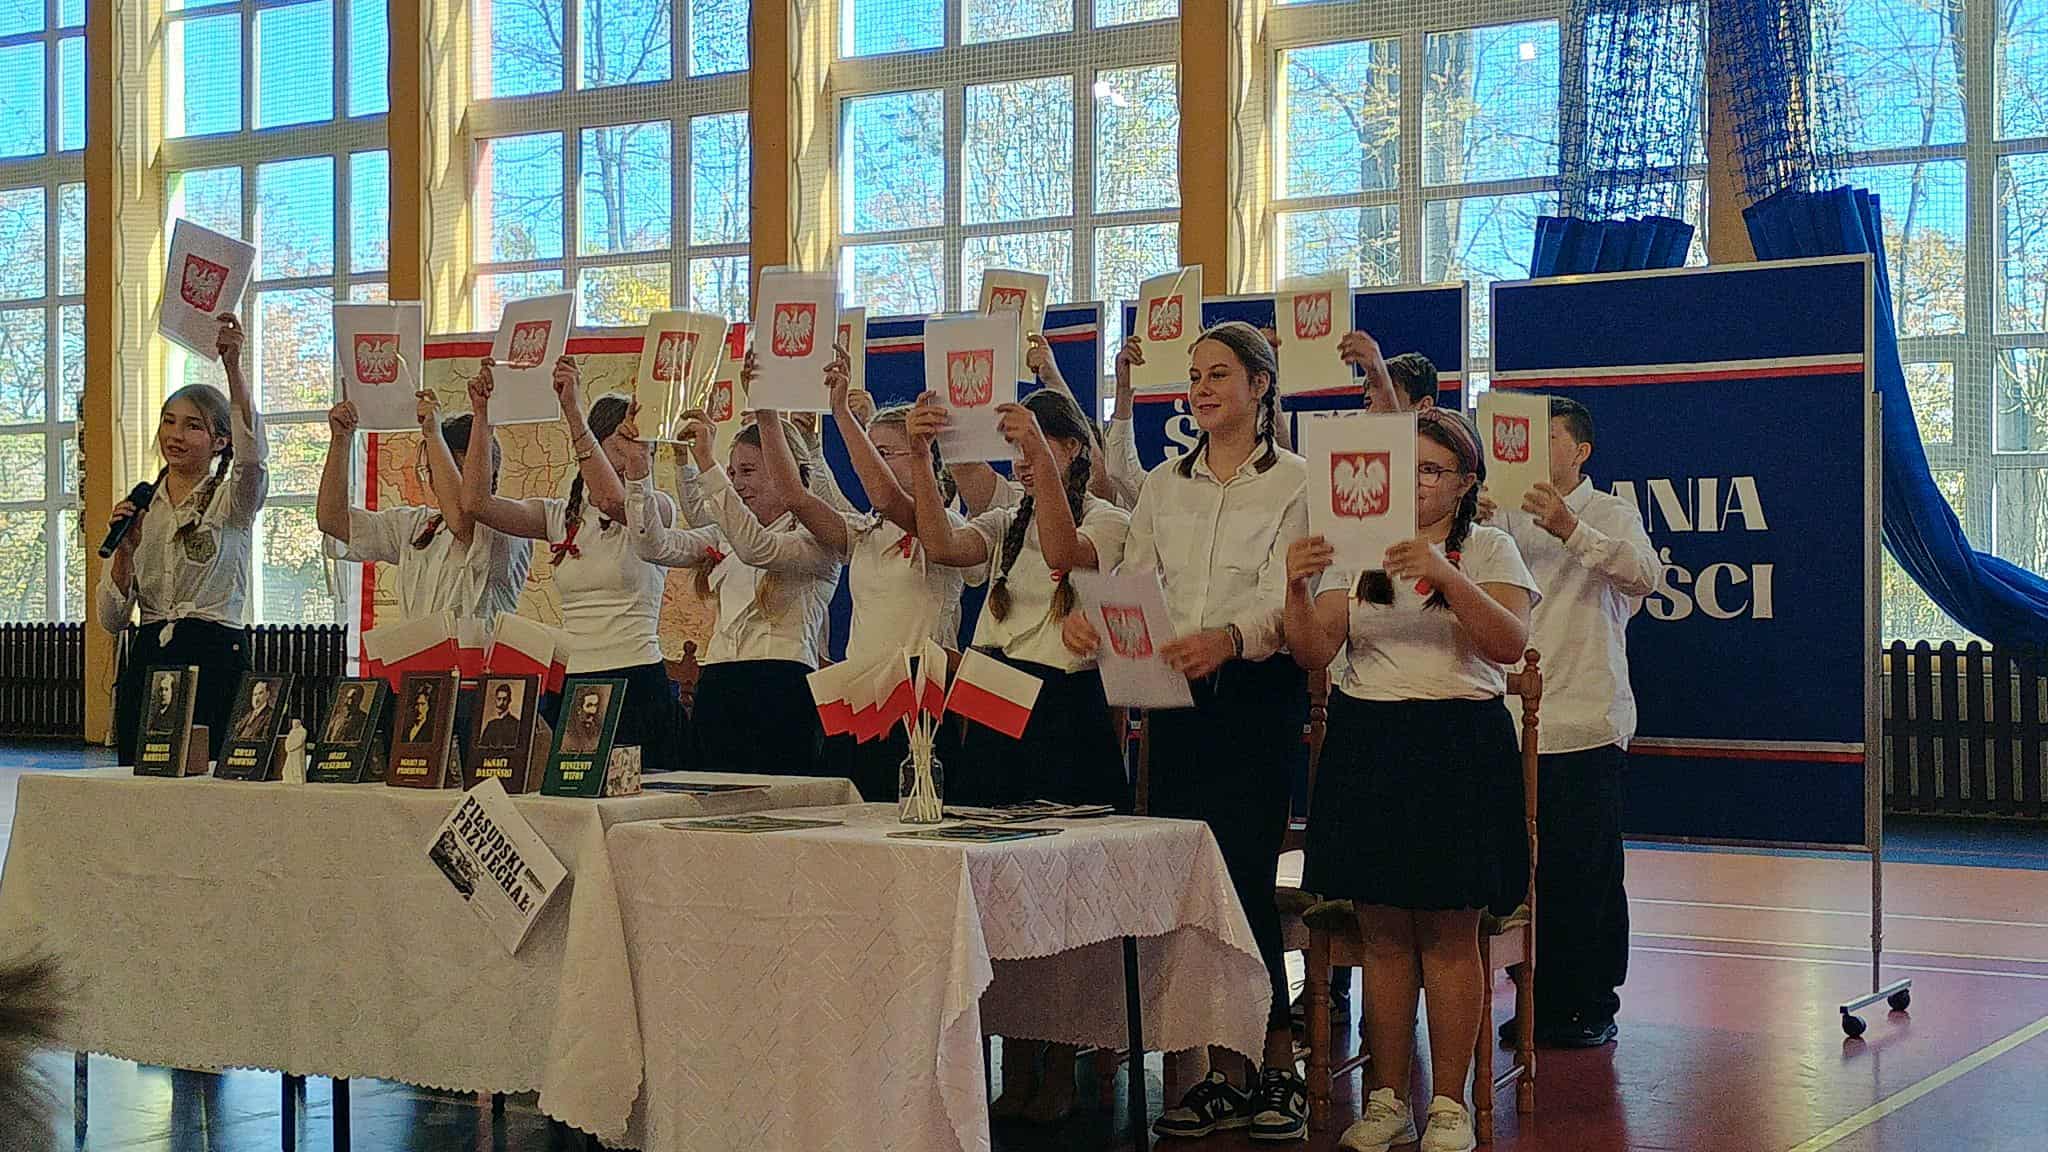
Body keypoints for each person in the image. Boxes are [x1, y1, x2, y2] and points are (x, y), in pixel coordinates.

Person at [1063, 322, 1313, 1142]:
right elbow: (1136, 579)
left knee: (1241, 879)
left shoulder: (1297, 481)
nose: (1201, 389)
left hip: (1255, 691)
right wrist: (1096, 622)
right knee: (1181, 885)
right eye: (1195, 377)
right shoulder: (1166, 485)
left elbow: (1288, 597)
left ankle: (1276, 1065)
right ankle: (1209, 1073)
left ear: (1260, 386)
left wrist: (1233, 638)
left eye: (1218, 375)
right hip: (1173, 695)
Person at [1283, 407, 1537, 1152]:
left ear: (1464, 482)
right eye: (1408, 467)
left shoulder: (1489, 546)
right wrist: (1296, 588)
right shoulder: (1357, 550)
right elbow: (1314, 651)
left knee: (1452, 934)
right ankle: (1387, 1098)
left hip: (1459, 745)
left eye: (1432, 470)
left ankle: (1450, 1104)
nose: (1418, 483)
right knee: (1384, 934)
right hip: (1370, 740)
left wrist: (1443, 572)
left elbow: (1509, 642)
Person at [907, 385, 1130, 1124]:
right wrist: (922, 457)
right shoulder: (1007, 520)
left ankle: (1061, 1065)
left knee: (1056, 901)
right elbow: (943, 546)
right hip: (995, 704)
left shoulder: (1108, 519)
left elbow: (1066, 557)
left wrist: (1034, 445)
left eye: (1037, 447)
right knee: (995, 901)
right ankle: (1012, 1063)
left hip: (1062, 713)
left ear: (1074, 449)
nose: (1023, 464)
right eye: (1016, 452)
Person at [1485, 395, 1656, 1048]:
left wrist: (1569, 528)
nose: (1535, 447)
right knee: (1517, 872)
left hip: (1584, 719)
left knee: (1584, 870)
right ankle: (1534, 996)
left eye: (1550, 436)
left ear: (1580, 451)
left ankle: (1589, 1003)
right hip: (1510, 718)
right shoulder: (1500, 515)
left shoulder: (1609, 512)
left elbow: (1644, 575)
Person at [462, 357, 690, 770]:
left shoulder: (656, 508)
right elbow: (477, 504)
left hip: (637, 678)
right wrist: (483, 418)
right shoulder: (560, 515)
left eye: (642, 444)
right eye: (622, 441)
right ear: (596, 446)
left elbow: (612, 500)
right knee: (575, 793)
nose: (634, 453)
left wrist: (571, 409)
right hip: (578, 680)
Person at [620, 396, 843, 778]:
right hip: (719, 687)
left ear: (786, 470)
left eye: (748, 471)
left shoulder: (817, 541)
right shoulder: (724, 536)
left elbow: (758, 548)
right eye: (732, 472)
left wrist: (706, 463)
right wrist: (639, 472)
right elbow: (654, 546)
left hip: (780, 690)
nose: (738, 484)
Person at [801, 345, 985, 800]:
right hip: (862, 690)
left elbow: (886, 496)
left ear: (923, 454)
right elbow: (797, 498)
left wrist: (843, 415)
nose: (876, 462)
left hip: (918, 692)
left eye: (886, 452)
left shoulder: (948, 526)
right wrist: (769, 413)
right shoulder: (865, 529)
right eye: (872, 452)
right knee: (852, 821)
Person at [100, 314, 266, 766]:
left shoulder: (231, 502)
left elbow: (252, 458)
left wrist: (233, 366)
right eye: (168, 422)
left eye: (193, 426)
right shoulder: (139, 507)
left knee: (210, 783)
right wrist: (124, 554)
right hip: (150, 657)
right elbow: (112, 620)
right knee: (141, 782)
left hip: (215, 655)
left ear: (219, 441)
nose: (175, 435)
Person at [318, 390, 531, 626]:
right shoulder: (416, 525)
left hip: (478, 650)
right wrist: (341, 439)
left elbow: (462, 520)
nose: (439, 480)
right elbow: (332, 520)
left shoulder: (510, 527)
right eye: (435, 469)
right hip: (418, 650)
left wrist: (433, 435)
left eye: (457, 470)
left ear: (488, 474)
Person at [559, 685, 607, 754]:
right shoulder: (571, 731)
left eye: (595, 705)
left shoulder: (597, 729)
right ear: (579, 710)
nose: (593, 710)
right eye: (589, 705)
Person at [479, 681, 524, 748]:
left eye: (504, 699)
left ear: (509, 700)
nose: (501, 703)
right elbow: (482, 747)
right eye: (499, 699)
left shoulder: (516, 724)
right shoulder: (491, 724)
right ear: (495, 700)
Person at [233, 678, 278, 743]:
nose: (256, 698)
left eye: (260, 693)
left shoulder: (271, 715)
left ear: (267, 694)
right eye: (255, 694)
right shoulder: (248, 715)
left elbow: (265, 740)